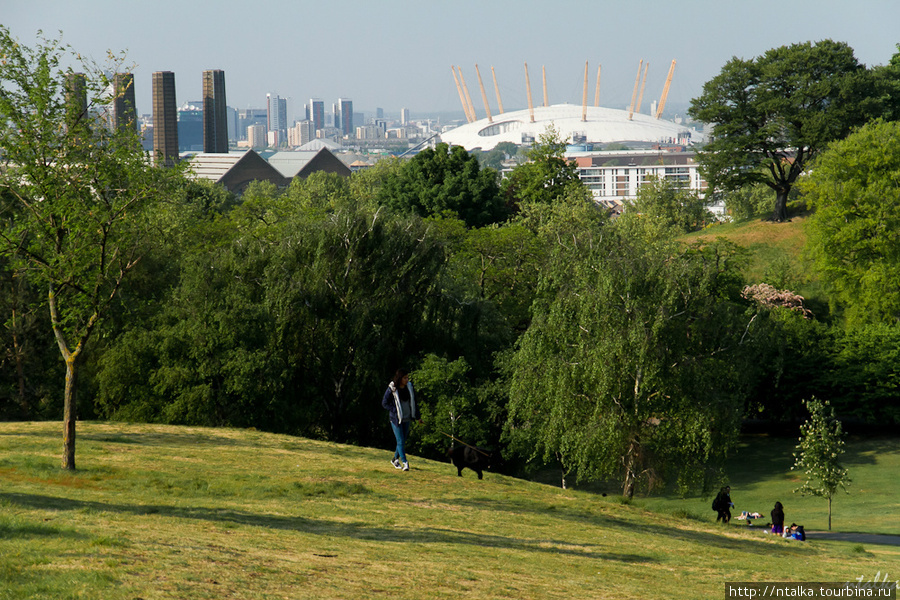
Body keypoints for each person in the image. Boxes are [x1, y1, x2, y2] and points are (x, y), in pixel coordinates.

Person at [382, 368, 420, 472]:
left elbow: (414, 402)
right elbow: (384, 403)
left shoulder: (409, 387)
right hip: (396, 419)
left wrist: (418, 416)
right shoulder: (392, 388)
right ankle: (405, 462)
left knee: (402, 442)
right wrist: (394, 410)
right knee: (400, 440)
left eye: (407, 377)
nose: (407, 379)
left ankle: (395, 459)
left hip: (407, 418)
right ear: (400, 378)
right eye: (405, 378)